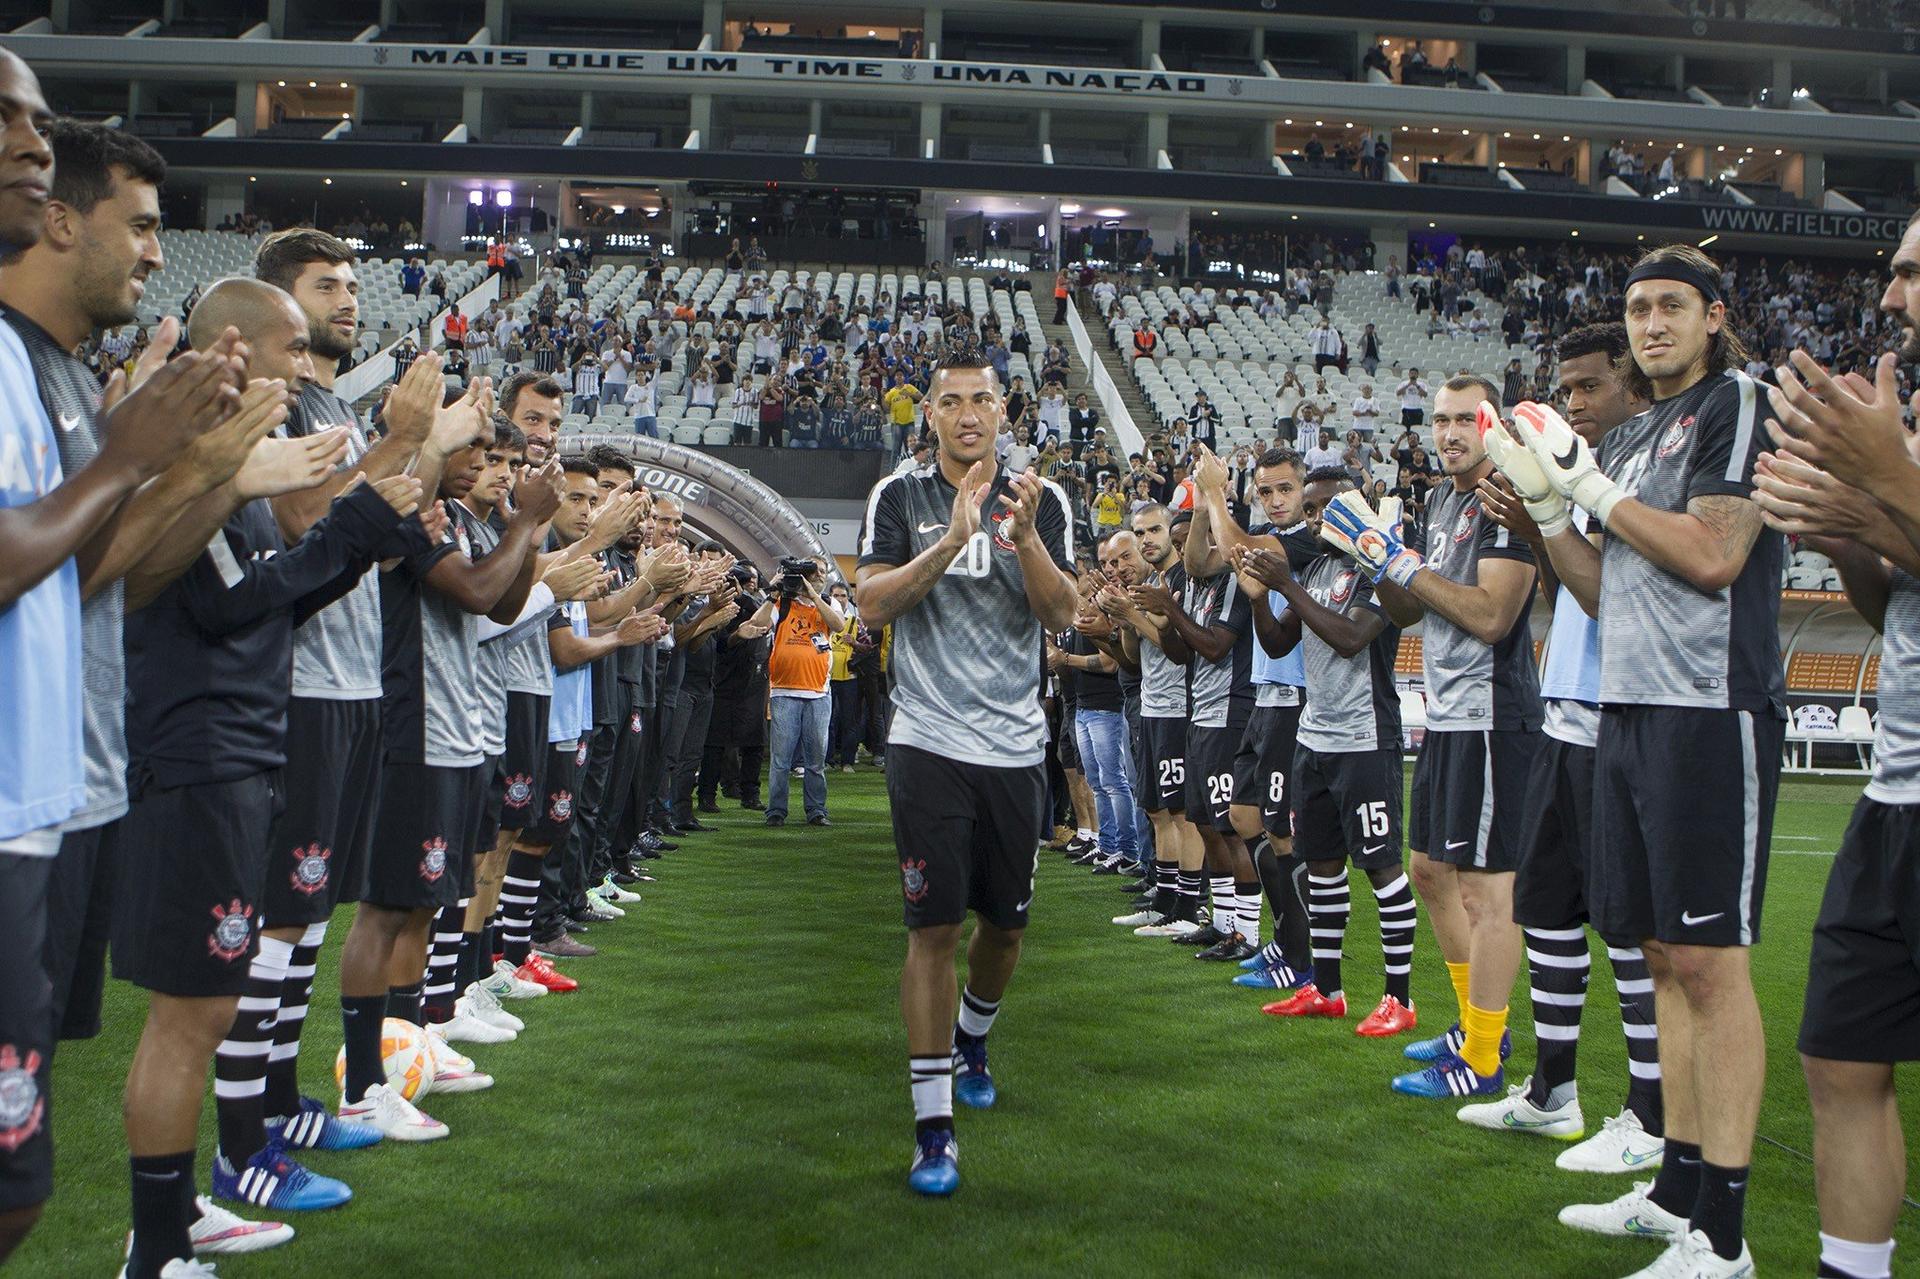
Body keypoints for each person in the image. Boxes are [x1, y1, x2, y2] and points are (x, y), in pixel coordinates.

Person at [117, 279, 423, 1274]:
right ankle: (159, 1240)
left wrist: (360, 529)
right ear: (236, 349)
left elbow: (271, 601)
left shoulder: (236, 463)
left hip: (243, 745)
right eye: (291, 349)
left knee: (211, 1000)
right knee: (191, 1009)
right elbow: (224, 608)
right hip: (200, 752)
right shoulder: (190, 464)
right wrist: (355, 523)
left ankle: (185, 1215)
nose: (306, 369)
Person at [1521, 246, 1784, 1278]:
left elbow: (1716, 555)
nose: (1651, 322)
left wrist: (1585, 482)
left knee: (1713, 967)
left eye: (1672, 304)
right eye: (1636, 307)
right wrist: (1549, 510)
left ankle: (1725, 1234)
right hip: (1626, 709)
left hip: (1708, 712)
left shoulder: (1738, 401)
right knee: (1665, 957)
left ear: (1713, 315)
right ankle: (1677, 1187)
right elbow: (1598, 586)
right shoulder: (1630, 439)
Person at [855, 348, 1076, 1196]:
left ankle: (975, 1033)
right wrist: (949, 542)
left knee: (1008, 929)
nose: (968, 413)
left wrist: (1022, 544)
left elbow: (1065, 614)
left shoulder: (1043, 499)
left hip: (1016, 745)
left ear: (1005, 409)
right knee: (932, 929)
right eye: (950, 401)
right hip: (927, 738)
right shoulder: (899, 496)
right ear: (931, 415)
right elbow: (871, 605)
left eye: (982, 398)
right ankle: (934, 1126)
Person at [1751, 216, 1920, 1279]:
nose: (1891, 294)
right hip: (1895, 790)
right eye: (1895, 270)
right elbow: (1890, 602)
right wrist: (1840, 528)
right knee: (1840, 1055)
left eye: (1912, 271)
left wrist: (1880, 486)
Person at [1464, 323, 1668, 1175]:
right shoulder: (1582, 478)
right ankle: (1554, 1092)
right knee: (1547, 907)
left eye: (1588, 386)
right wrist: (1540, 519)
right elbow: (1572, 596)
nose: (1574, 404)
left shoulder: (1639, 473)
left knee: (1626, 924)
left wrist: (1552, 509)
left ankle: (1650, 1114)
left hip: (1623, 713)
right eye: (1566, 390)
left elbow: (1624, 597)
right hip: (1563, 709)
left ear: (1630, 381)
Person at [1321, 377, 1542, 1105]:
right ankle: (1474, 1027)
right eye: (1440, 419)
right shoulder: (1444, 498)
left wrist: (1404, 563)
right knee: (1429, 871)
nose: (1448, 432)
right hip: (1448, 716)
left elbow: (1491, 615)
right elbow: (1408, 614)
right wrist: (1375, 562)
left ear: (1493, 425)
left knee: (1485, 891)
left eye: (1464, 419)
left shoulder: (1502, 498)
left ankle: (1482, 1055)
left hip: (1490, 717)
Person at [1236, 465, 1418, 1034]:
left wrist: (1285, 585)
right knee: (1322, 869)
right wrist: (1259, 599)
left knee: (1384, 870)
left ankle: (1400, 999)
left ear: (1352, 508)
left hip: (1366, 736)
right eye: (1310, 511)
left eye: (1323, 508)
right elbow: (1277, 640)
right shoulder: (1314, 567)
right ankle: (1328, 988)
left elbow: (1349, 639)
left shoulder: (1375, 568)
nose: (1315, 520)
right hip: (1315, 736)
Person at [760, 558, 844, 826]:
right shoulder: (781, 603)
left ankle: (817, 810)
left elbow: (839, 625)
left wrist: (814, 596)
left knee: (816, 759)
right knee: (781, 760)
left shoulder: (830, 603)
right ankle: (776, 811)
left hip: (818, 692)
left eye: (821, 572)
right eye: (812, 572)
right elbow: (758, 624)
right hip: (784, 691)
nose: (817, 575)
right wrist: (770, 593)